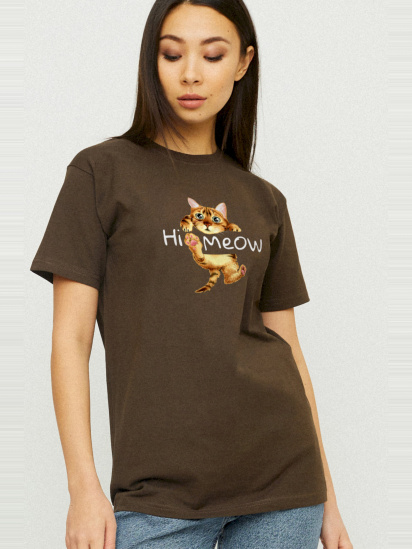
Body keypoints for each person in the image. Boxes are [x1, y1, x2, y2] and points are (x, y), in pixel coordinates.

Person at [30, 1, 354, 548]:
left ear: (243, 63)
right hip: (158, 496)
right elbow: (71, 339)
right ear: (151, 59)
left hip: (283, 483)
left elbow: (289, 350)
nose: (190, 74)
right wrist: (83, 487)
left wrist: (328, 494)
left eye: (213, 55)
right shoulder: (101, 172)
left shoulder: (264, 200)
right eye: (172, 53)